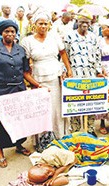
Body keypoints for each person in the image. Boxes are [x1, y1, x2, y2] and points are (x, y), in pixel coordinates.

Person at [0, 20, 42, 168]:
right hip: (2, 91)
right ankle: (0, 150)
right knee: (3, 122)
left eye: (12, 31)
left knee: (21, 120)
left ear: (16, 33)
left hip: (19, 90)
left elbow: (25, 72)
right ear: (1, 33)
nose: (10, 34)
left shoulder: (20, 50)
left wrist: (37, 85)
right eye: (6, 31)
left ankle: (19, 145)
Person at [21, 11, 73, 151]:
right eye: (40, 24)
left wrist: (68, 69)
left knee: (56, 108)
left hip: (55, 77)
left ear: (49, 25)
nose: (43, 26)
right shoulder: (27, 41)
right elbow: (25, 65)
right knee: (42, 110)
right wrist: (34, 83)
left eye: (45, 24)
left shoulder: (54, 37)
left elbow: (63, 53)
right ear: (34, 25)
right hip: (38, 79)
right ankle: (43, 140)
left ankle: (59, 136)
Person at [64, 9, 103, 136]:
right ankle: (75, 131)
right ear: (77, 22)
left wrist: (98, 71)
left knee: (90, 103)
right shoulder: (69, 36)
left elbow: (98, 56)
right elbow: (65, 56)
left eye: (87, 22)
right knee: (75, 103)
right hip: (75, 75)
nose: (85, 25)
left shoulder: (94, 37)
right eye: (82, 22)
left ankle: (90, 130)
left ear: (90, 23)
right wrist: (66, 71)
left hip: (90, 75)